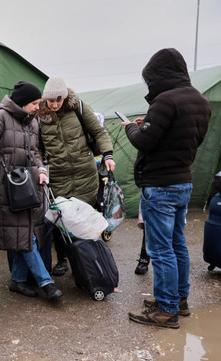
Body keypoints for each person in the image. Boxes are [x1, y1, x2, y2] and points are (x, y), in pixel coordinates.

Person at [124, 48, 211, 328]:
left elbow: (144, 142)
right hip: (183, 181)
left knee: (160, 250)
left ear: (158, 75)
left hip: (160, 185)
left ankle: (165, 309)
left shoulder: (165, 101)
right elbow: (186, 139)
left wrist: (130, 128)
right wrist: (147, 126)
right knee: (177, 245)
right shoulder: (200, 101)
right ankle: (179, 300)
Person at [0, 81, 61, 300]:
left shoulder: (32, 122)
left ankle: (18, 280)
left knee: (23, 235)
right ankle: (46, 282)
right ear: (23, 102)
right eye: (34, 103)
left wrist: (41, 170)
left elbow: (34, 152)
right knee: (25, 237)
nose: (37, 107)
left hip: (29, 186)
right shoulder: (1, 117)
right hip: (8, 187)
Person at [37, 77, 116, 277]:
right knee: (60, 218)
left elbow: (99, 132)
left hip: (84, 173)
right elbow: (37, 148)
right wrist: (41, 169)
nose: (54, 104)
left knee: (85, 218)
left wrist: (107, 154)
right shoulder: (39, 117)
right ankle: (62, 259)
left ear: (65, 97)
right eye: (51, 101)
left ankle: (85, 260)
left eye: (58, 100)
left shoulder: (78, 107)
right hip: (58, 175)